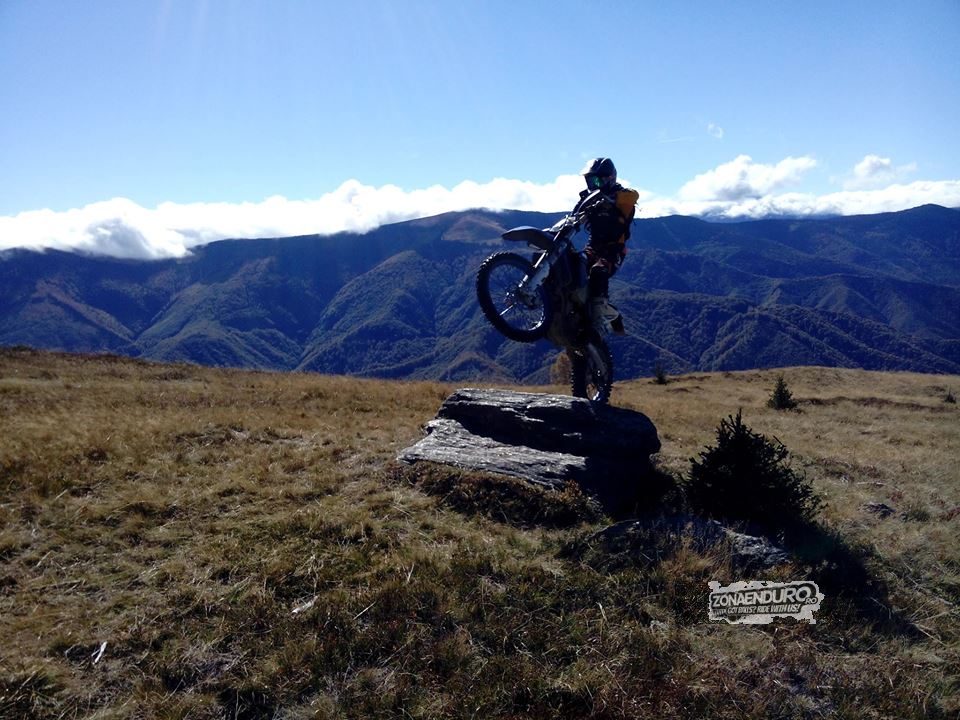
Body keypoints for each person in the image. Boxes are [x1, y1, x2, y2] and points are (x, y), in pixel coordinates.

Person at [578, 157, 639, 335]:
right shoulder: (590, 199)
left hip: (614, 250)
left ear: (610, 178)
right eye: (590, 181)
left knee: (599, 270)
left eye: (596, 181)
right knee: (574, 264)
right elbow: (575, 214)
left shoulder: (623, 197)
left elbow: (633, 195)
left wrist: (609, 198)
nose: (593, 185)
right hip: (592, 247)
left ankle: (604, 314)